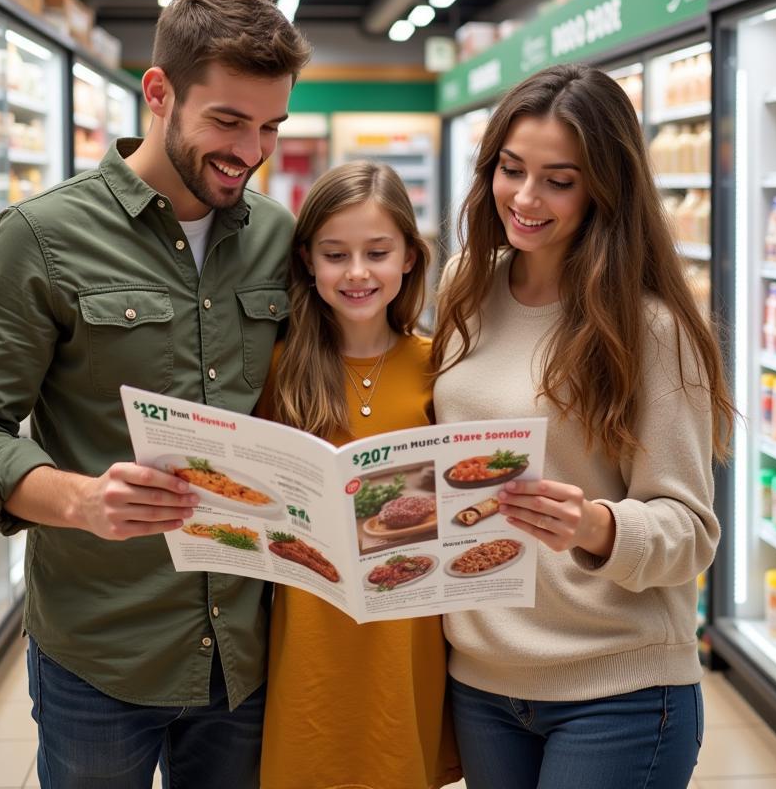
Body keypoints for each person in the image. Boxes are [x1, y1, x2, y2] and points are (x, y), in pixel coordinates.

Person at [0, 0, 312, 789]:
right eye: (227, 121)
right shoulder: (41, 238)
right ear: (158, 91)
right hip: (100, 651)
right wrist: (78, 501)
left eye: (271, 127)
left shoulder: (280, 236)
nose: (250, 151)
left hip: (246, 650)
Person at [431, 63, 734, 789]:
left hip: (618, 692)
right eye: (511, 169)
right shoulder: (463, 285)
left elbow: (692, 532)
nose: (526, 198)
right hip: (482, 678)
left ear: (605, 186)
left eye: (559, 180)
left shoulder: (650, 328)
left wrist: (595, 525)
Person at [254, 161, 459, 789]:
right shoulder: (279, 367)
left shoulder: (441, 366)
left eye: (377, 252)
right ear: (308, 264)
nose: (358, 273)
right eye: (335, 254)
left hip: (409, 628)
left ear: (409, 260)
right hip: (310, 625)